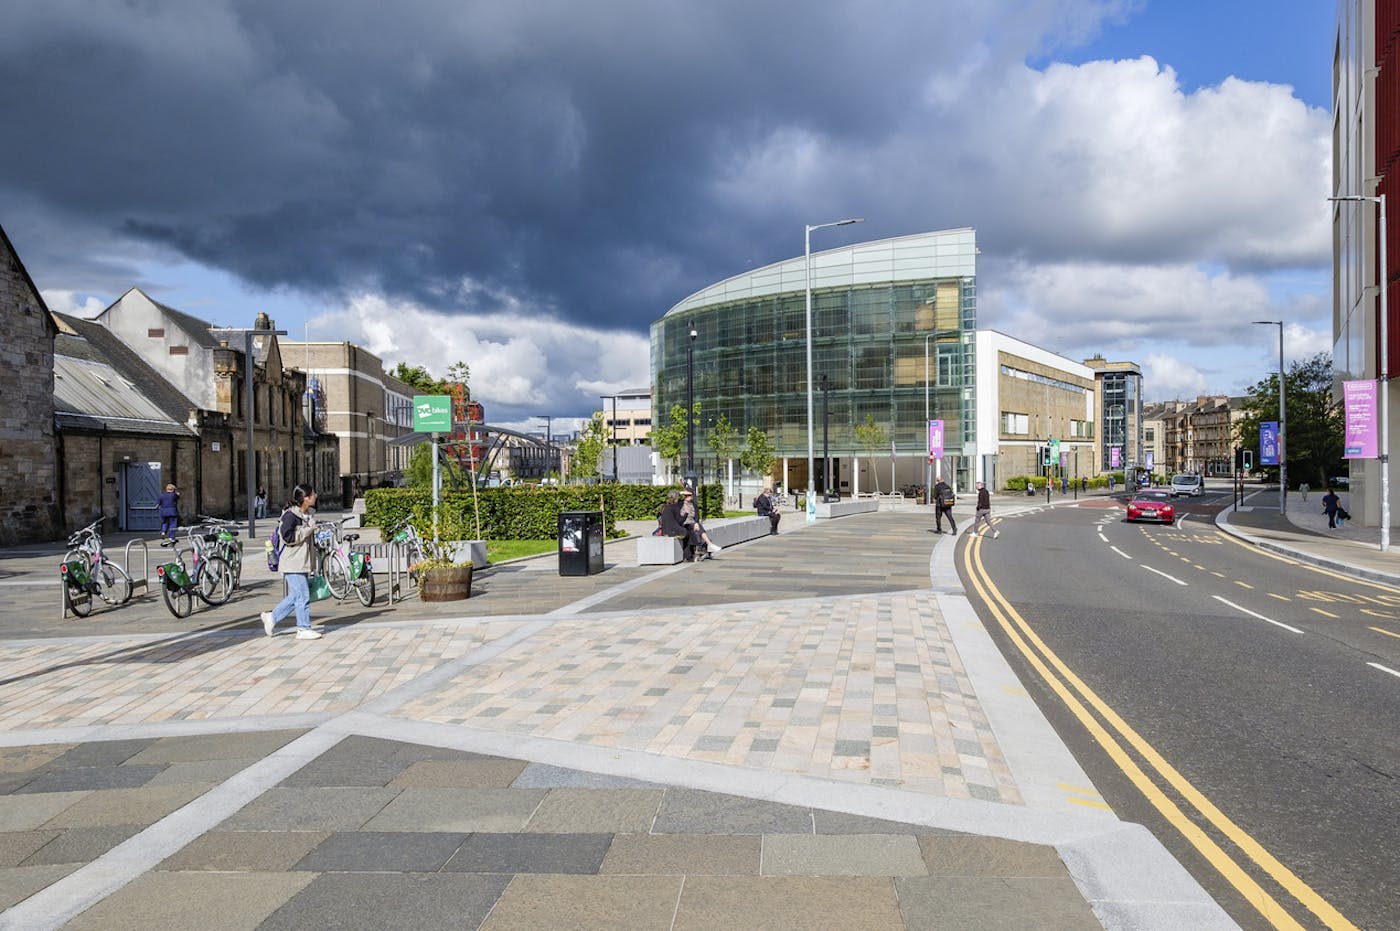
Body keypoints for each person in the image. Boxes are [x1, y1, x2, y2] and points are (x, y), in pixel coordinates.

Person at [260, 484, 323, 640]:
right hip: (293, 562)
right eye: (313, 494)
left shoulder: (306, 514)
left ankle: (271, 617)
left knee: (296, 596)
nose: (315, 496)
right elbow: (287, 537)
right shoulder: (290, 515)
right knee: (302, 595)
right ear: (305, 498)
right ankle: (303, 628)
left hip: (301, 561)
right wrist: (308, 530)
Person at [680, 487, 721, 559]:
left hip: (693, 524)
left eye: (689, 495)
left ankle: (706, 546)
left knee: (698, 527)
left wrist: (696, 523)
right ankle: (709, 544)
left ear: (692, 496)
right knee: (697, 527)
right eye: (685, 495)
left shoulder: (694, 505)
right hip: (684, 524)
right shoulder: (681, 504)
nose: (687, 497)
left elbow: (697, 516)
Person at [658, 489, 695, 561]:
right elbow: (679, 522)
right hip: (673, 531)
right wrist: (686, 513)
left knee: (685, 532)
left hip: (665, 531)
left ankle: (687, 555)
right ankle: (688, 556)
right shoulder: (675, 507)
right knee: (687, 533)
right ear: (676, 498)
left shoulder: (664, 507)